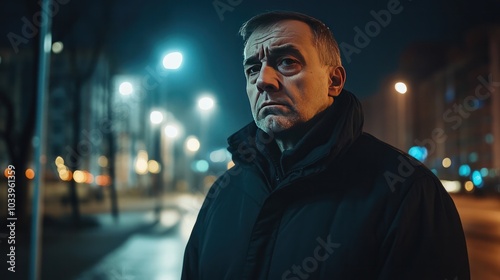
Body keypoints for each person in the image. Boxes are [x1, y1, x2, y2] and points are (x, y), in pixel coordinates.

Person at [181, 11, 470, 280]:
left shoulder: (407, 192)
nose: (264, 81)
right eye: (253, 68)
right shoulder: (223, 193)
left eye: (287, 62)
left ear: (334, 81)